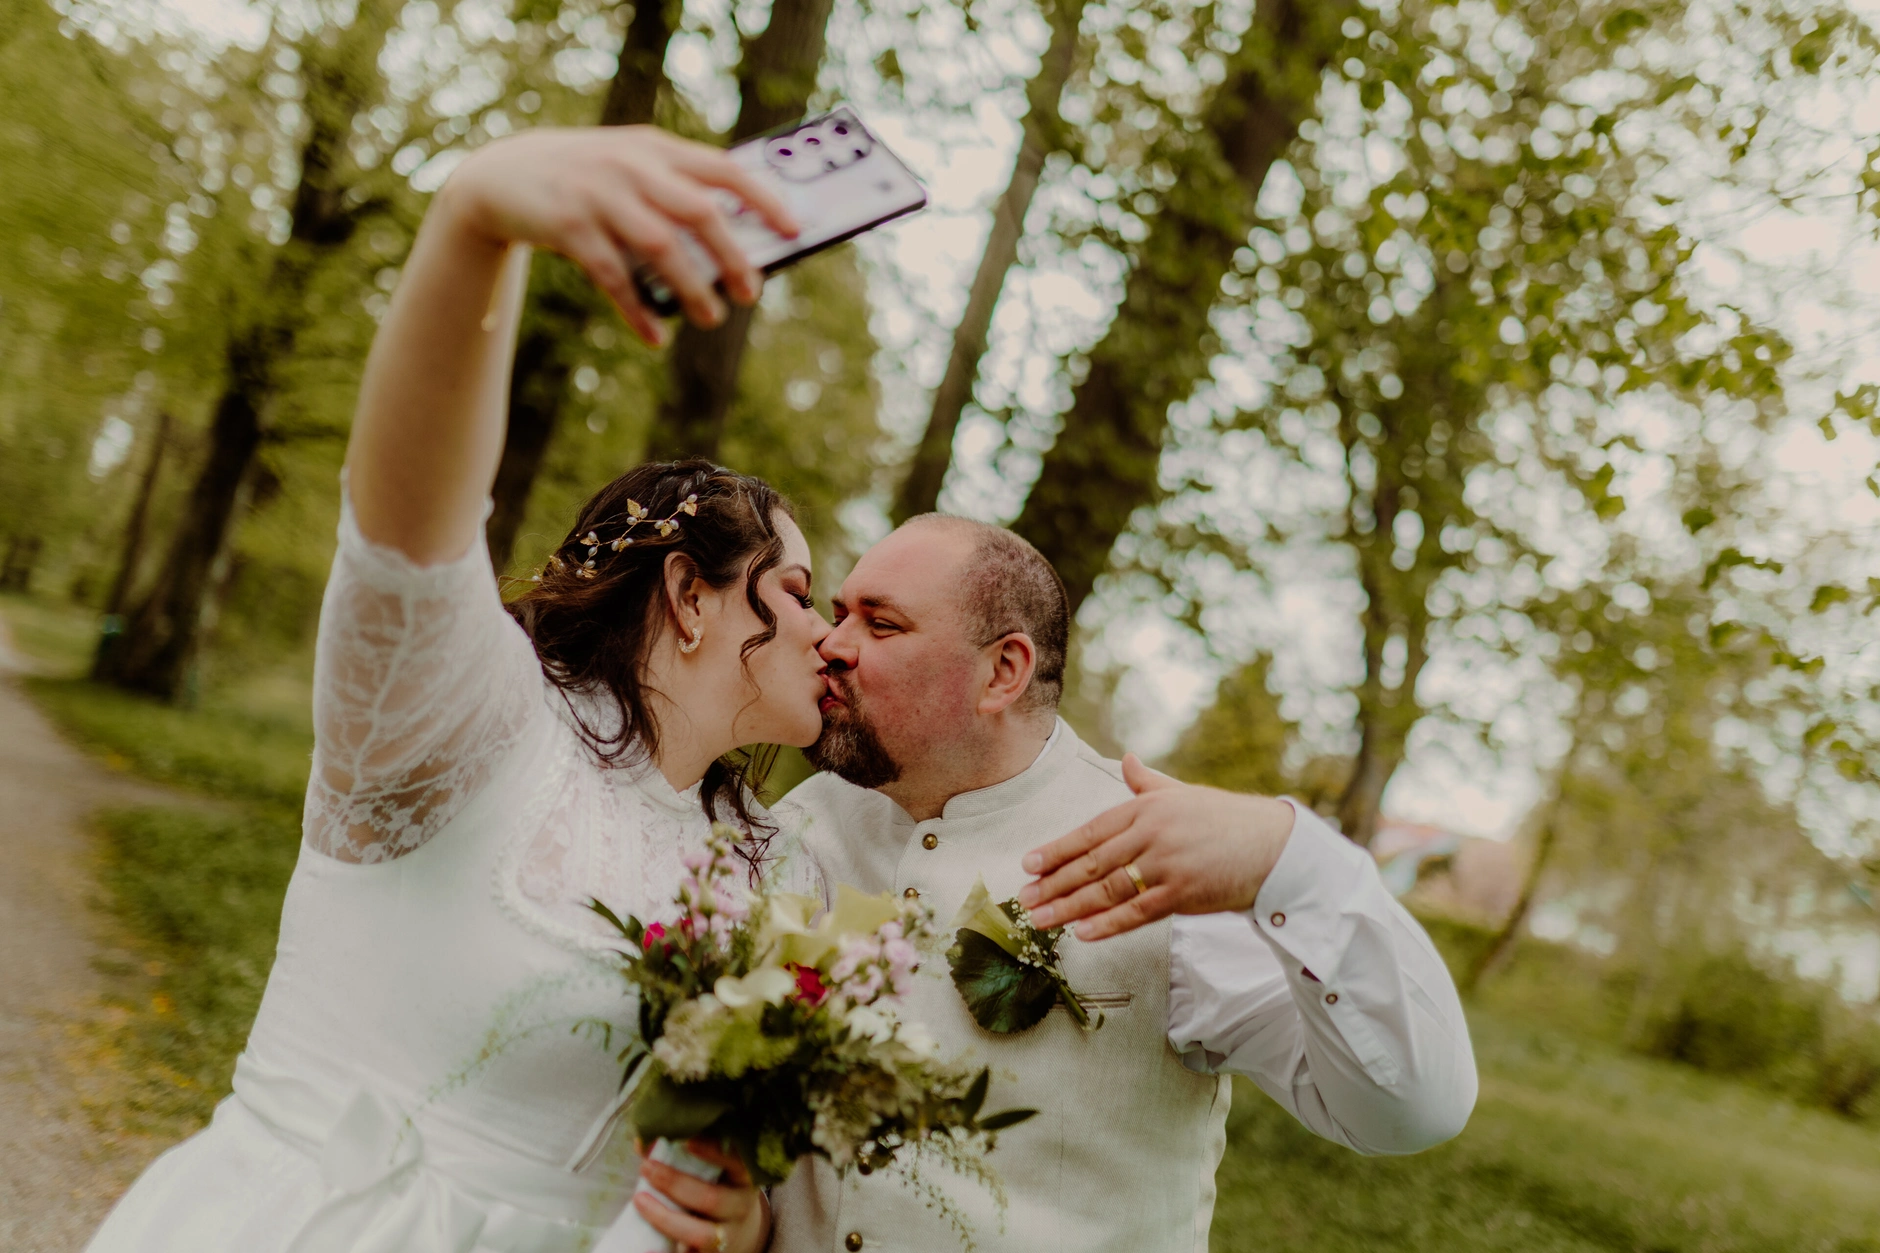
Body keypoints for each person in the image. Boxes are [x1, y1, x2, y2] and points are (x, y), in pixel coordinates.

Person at [86, 127, 819, 1253]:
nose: (826, 630)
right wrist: (475, 226)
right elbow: (407, 530)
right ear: (690, 594)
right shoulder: (480, 721)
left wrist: (743, 1217)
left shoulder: (771, 862)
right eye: (802, 590)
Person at [768, 514, 1479, 1252]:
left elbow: (1409, 1111)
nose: (832, 642)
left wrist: (1291, 860)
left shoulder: (1163, 853)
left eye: (880, 624)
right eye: (840, 610)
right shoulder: (797, 829)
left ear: (1002, 672)